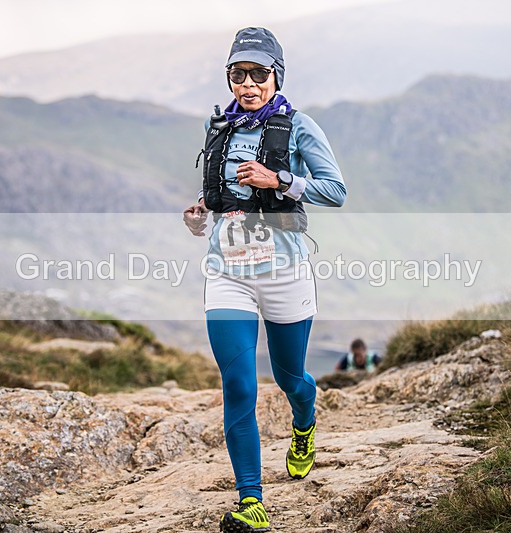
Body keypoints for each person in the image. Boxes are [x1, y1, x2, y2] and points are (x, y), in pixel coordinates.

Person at [183, 27, 346, 532]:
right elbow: (224, 193)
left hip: (284, 271)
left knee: (290, 378)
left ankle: (305, 422)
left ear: (276, 76)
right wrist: (201, 212)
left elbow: (335, 190)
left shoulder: (299, 126)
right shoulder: (220, 126)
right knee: (238, 384)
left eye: (258, 74)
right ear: (229, 77)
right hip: (227, 272)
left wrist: (280, 180)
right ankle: (251, 501)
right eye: (238, 74)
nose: (247, 84)